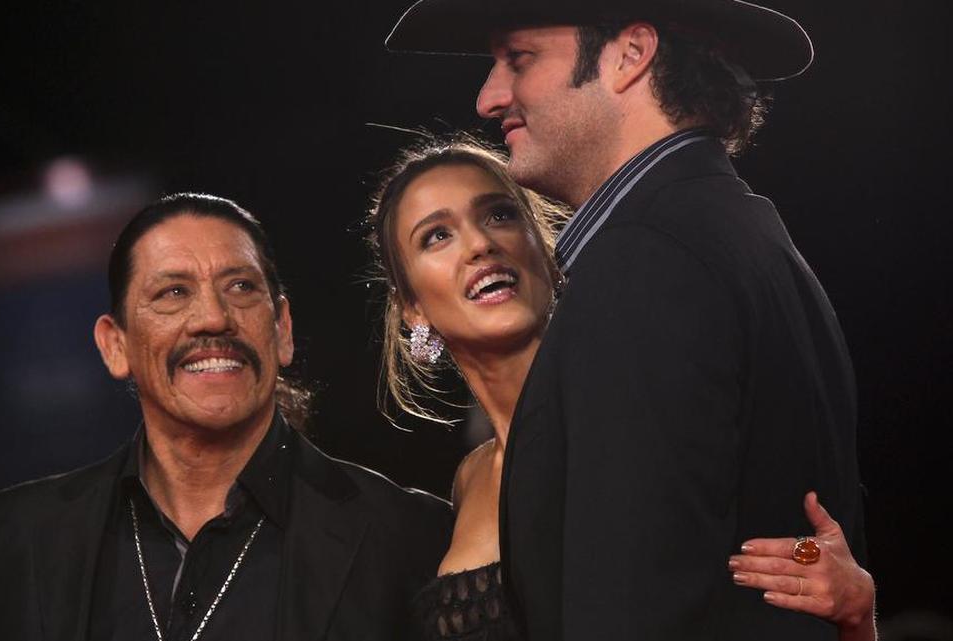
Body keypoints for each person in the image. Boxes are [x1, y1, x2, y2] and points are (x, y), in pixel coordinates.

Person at [365, 139, 875, 640]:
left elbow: (781, 550)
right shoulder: (470, 478)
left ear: (546, 249)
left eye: (499, 215)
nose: (480, 244)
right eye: (437, 236)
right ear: (413, 307)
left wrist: (850, 614)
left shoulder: (640, 411)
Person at [0, 193, 453, 641]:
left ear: (282, 329)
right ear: (115, 345)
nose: (213, 318)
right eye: (173, 292)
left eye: (241, 287)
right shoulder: (6, 542)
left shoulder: (407, 536)